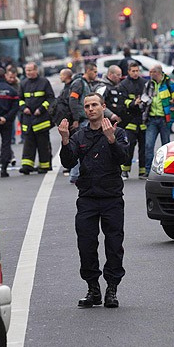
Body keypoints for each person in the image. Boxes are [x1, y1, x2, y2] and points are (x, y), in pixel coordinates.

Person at [58, 93, 129, 308]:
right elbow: (69, 161)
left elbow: (124, 159)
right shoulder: (80, 135)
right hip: (87, 198)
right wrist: (64, 140)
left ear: (103, 107)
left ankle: (112, 289)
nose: (90, 109)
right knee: (86, 244)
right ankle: (93, 289)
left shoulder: (117, 132)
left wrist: (111, 140)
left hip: (111, 198)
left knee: (114, 245)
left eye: (95, 105)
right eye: (87, 106)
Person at [141, 65, 174, 178]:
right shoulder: (148, 84)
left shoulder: (169, 83)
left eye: (153, 72)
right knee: (149, 145)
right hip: (152, 119)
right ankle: (148, 171)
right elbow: (144, 97)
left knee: (166, 145)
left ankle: (166, 169)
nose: (151, 74)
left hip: (165, 119)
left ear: (158, 72)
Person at [18, 62, 55, 174]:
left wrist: (41, 109)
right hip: (28, 119)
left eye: (30, 70)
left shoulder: (44, 82)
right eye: (27, 71)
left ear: (36, 70)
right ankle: (27, 166)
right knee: (28, 144)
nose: (28, 73)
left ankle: (44, 166)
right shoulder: (23, 83)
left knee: (43, 144)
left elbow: (50, 99)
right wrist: (24, 107)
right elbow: (19, 99)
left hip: (41, 119)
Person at [66, 62, 99, 183]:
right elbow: (73, 100)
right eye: (94, 72)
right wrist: (76, 118)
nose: (96, 74)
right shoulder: (79, 83)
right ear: (88, 71)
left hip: (84, 119)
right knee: (81, 148)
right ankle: (75, 175)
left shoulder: (86, 83)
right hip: (81, 120)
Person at [117, 62, 147, 179]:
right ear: (128, 71)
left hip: (143, 121)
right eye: (133, 71)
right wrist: (134, 103)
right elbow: (122, 102)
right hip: (130, 121)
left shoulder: (144, 83)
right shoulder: (123, 85)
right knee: (128, 147)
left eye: (137, 71)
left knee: (144, 148)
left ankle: (143, 171)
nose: (135, 73)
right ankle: (125, 170)